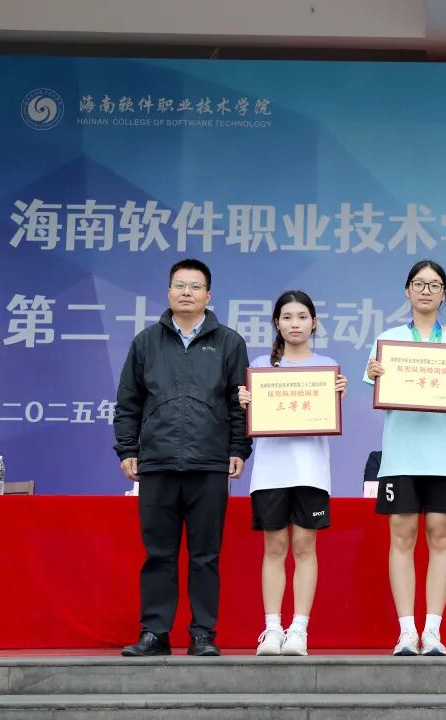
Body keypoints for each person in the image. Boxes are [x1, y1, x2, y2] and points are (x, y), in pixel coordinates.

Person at [114, 258, 250, 657]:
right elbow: (128, 402)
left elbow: (240, 403)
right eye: (180, 285)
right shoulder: (146, 342)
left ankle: (203, 634)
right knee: (159, 554)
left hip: (209, 463)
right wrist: (128, 449)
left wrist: (238, 448)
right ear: (168, 292)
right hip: (157, 462)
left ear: (208, 295)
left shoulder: (229, 342)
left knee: (205, 556)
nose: (186, 292)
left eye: (195, 287)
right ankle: (154, 633)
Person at [363, 260, 446, 656]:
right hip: (401, 457)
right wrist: (378, 376)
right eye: (419, 284)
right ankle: (406, 631)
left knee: (440, 535)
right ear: (407, 290)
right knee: (401, 535)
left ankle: (432, 630)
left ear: (444, 293)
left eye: (435, 285)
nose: (426, 291)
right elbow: (380, 396)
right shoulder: (389, 340)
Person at [237, 291, 347, 656]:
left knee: (304, 546)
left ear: (314, 322)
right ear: (277, 323)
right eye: (287, 317)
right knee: (275, 547)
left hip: (310, 472)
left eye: (302, 317)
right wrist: (246, 403)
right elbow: (251, 417)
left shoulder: (328, 367)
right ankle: (271, 628)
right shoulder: (260, 367)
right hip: (270, 473)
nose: (295, 324)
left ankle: (299, 629)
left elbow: (328, 414)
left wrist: (337, 395)